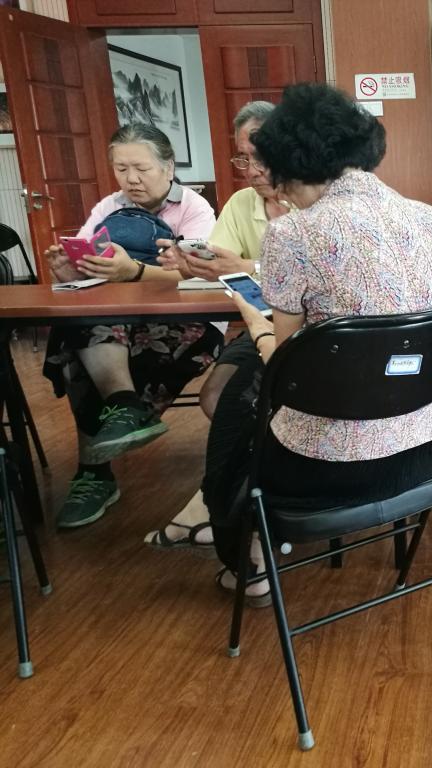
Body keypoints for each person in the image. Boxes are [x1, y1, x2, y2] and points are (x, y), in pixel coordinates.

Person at [204, 83, 432, 600]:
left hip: (322, 470)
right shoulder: (431, 220)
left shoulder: (293, 234)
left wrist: (253, 319)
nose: (279, 193)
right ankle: (235, 535)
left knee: (233, 415)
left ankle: (248, 562)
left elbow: (284, 369)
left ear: (289, 163)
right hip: (423, 454)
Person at [44, 124, 220, 529]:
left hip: (185, 317)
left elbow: (200, 275)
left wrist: (135, 271)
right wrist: (71, 269)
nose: (131, 179)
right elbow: (90, 265)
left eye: (141, 168)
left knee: (99, 347)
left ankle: (95, 468)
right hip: (116, 319)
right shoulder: (109, 207)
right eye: (121, 169)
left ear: (168, 167)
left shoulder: (194, 209)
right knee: (74, 337)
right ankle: (123, 411)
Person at [143, 100, 290, 554]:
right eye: (243, 158)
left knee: (259, 405)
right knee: (215, 397)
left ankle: (219, 505)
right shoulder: (243, 203)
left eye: (261, 156)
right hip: (258, 322)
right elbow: (219, 264)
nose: (253, 170)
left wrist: (245, 266)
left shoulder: (312, 199)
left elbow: (311, 272)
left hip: (303, 329)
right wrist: (190, 262)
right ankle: (246, 496)